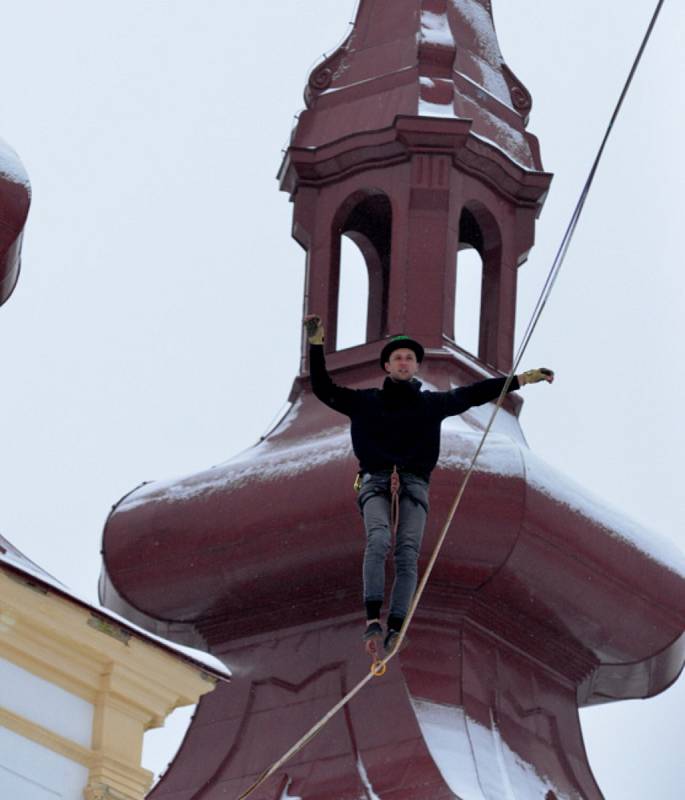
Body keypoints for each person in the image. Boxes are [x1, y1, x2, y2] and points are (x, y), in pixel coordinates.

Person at [304, 315, 553, 657]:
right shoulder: (365, 402)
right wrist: (316, 346)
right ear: (387, 366)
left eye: (409, 358)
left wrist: (519, 380)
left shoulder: (430, 404)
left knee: (407, 553)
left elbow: (474, 394)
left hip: (414, 484)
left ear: (416, 366)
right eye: (398, 358)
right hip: (376, 480)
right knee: (378, 539)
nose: (404, 362)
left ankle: (396, 627)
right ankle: (373, 619)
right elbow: (323, 389)